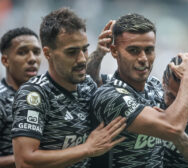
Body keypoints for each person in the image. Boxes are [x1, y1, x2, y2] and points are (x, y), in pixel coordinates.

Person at [11, 8, 126, 168]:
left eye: (84, 49)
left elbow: (92, 74)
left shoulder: (87, 85)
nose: (81, 59)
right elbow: (24, 161)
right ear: (48, 53)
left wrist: (99, 53)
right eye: (71, 52)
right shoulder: (35, 94)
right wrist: (86, 149)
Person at [90, 13, 188, 167]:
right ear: (115, 51)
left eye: (149, 50)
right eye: (134, 50)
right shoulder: (110, 95)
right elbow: (173, 128)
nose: (143, 58)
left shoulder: (155, 86)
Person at [0, 27, 42, 168]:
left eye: (36, 52)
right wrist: (35, 157)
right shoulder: (1, 99)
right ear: (5, 60)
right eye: (22, 52)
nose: (32, 59)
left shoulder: (45, 94)